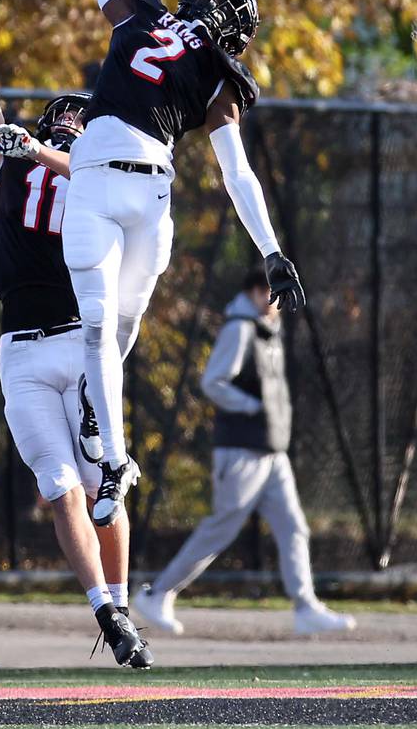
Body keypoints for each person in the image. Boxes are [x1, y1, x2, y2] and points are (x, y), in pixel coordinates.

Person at [40, 0, 306, 527]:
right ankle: (116, 463)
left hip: (129, 185)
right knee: (103, 326)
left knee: (115, 332)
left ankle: (101, 427)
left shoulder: (158, 28)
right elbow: (234, 172)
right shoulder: (190, 49)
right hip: (119, 186)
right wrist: (270, 249)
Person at [0, 0, 152, 668]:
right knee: (60, 487)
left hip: (83, 338)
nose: (69, 123)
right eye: (58, 117)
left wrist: (41, 150)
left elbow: (100, 171)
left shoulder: (95, 167)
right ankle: (109, 614)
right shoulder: (11, 155)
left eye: (80, 119)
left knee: (103, 482)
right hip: (21, 349)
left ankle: (121, 600)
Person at [133, 269, 356, 636]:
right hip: (241, 453)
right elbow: (213, 381)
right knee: (219, 531)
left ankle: (305, 607)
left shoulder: (268, 331)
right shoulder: (239, 328)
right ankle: (157, 594)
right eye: (275, 292)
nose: (282, 301)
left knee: (293, 527)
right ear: (257, 292)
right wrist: (252, 407)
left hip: (271, 453)